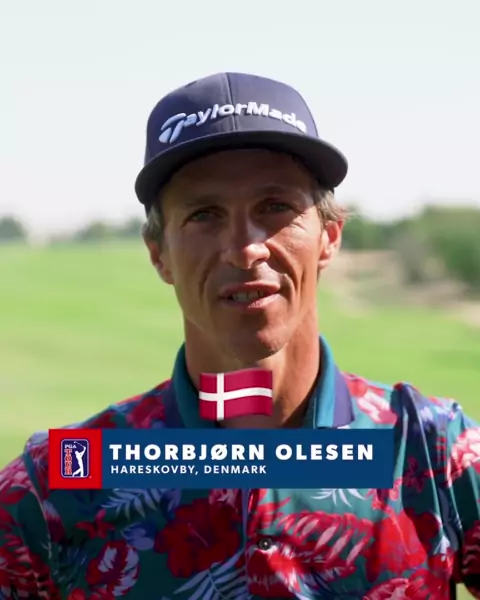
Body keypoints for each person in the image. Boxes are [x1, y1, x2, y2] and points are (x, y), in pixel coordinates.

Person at [0, 72, 479, 600]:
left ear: (329, 236)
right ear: (159, 254)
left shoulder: (432, 451)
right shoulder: (60, 481)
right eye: (205, 215)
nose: (245, 248)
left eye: (275, 207)